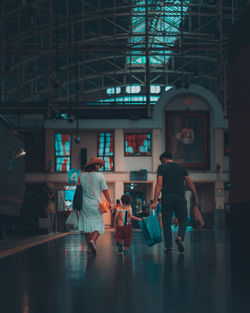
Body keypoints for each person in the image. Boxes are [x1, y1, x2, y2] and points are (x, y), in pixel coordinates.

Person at [151, 152, 198, 253]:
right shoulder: (181, 167)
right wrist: (196, 196)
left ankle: (169, 247)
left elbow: (159, 185)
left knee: (166, 222)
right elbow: (190, 183)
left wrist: (155, 201)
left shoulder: (162, 167)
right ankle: (180, 237)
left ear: (164, 159)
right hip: (180, 198)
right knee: (184, 219)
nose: (162, 163)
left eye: (162, 161)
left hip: (167, 198)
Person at [77, 157, 113, 255]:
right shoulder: (100, 176)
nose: (99, 167)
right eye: (97, 165)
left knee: (86, 226)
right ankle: (92, 241)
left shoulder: (82, 175)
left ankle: (89, 248)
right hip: (96, 205)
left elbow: (79, 189)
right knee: (98, 224)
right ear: (93, 165)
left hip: (85, 205)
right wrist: (110, 203)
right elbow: (105, 190)